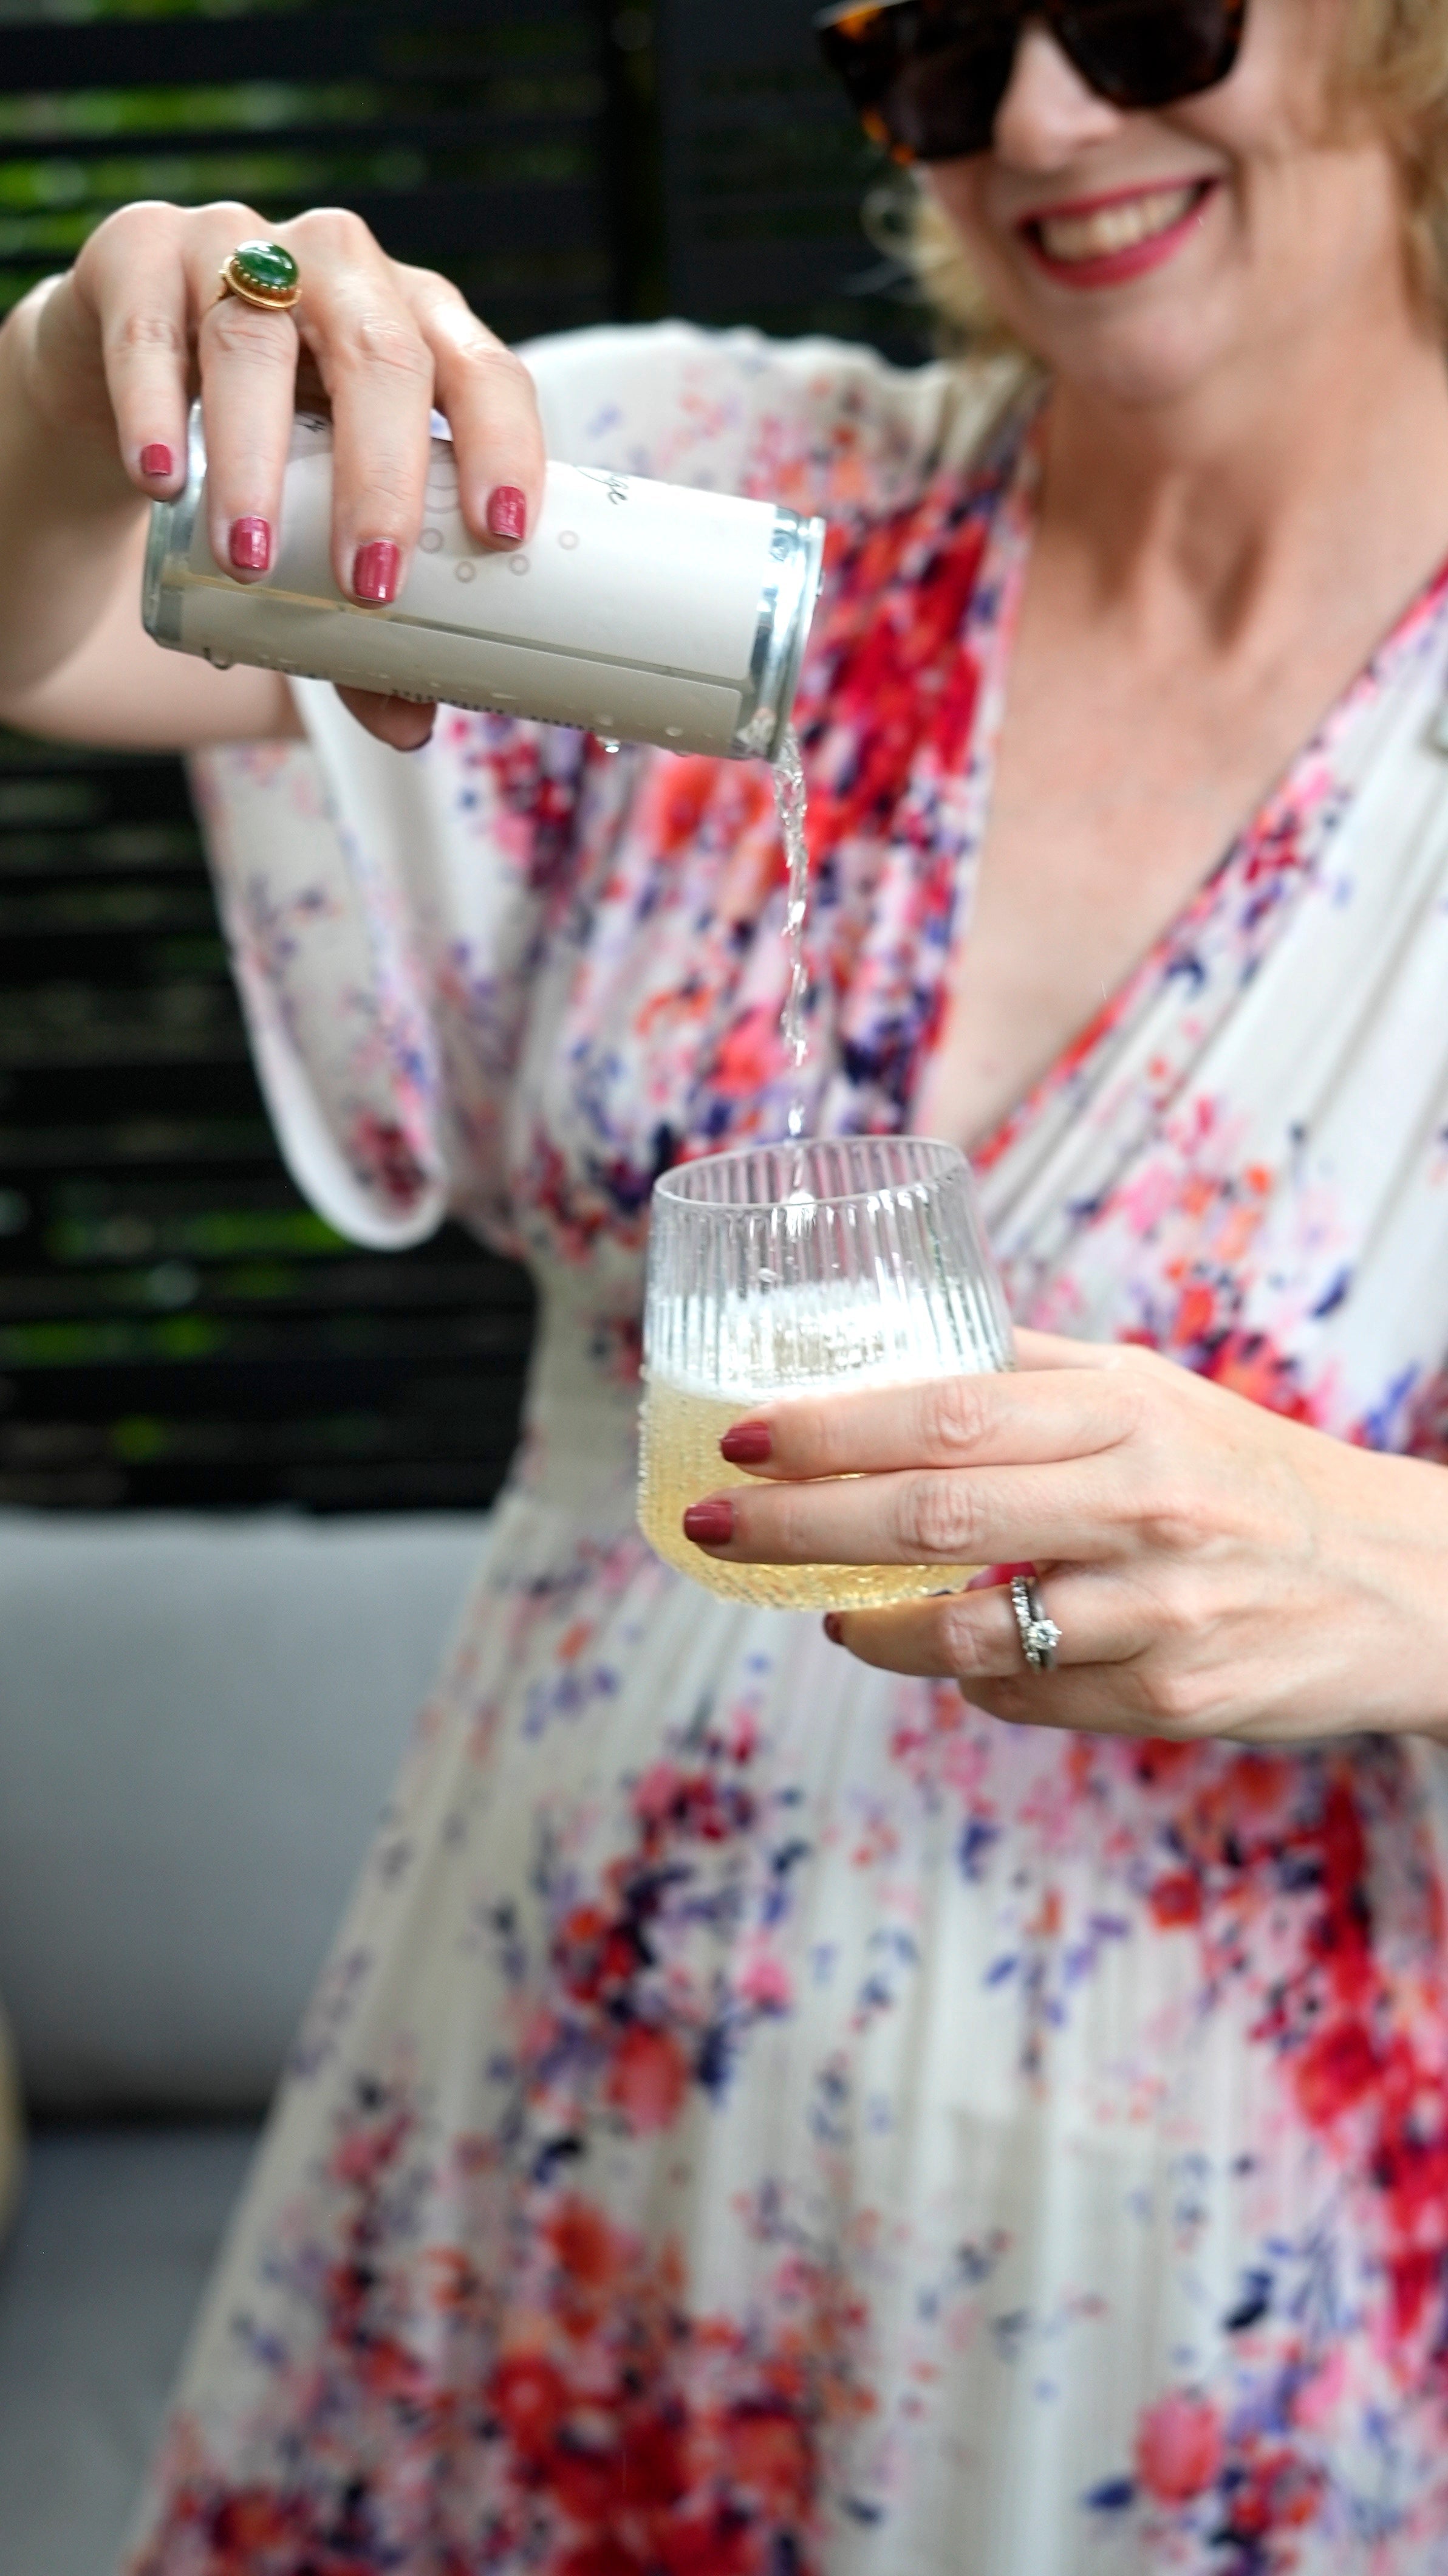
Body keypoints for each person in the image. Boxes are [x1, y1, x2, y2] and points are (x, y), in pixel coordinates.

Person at [4, 0, 1448, 2555]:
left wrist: (1394, 1568)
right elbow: (70, 609)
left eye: (1142, 8)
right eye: (922, 44)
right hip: (528, 2128)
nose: (1036, 121)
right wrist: (79, 364)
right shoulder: (723, 509)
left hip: (1181, 2290)